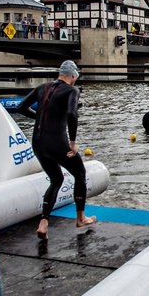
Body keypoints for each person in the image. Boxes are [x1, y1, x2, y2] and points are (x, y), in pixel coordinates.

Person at [16, 60, 95, 239]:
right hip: (57, 143)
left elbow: (20, 107)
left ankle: (44, 223)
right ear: (73, 75)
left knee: (56, 179)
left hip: (38, 143)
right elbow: (71, 113)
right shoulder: (72, 90)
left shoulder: (42, 88)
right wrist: (73, 143)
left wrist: (38, 118)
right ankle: (81, 218)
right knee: (80, 174)